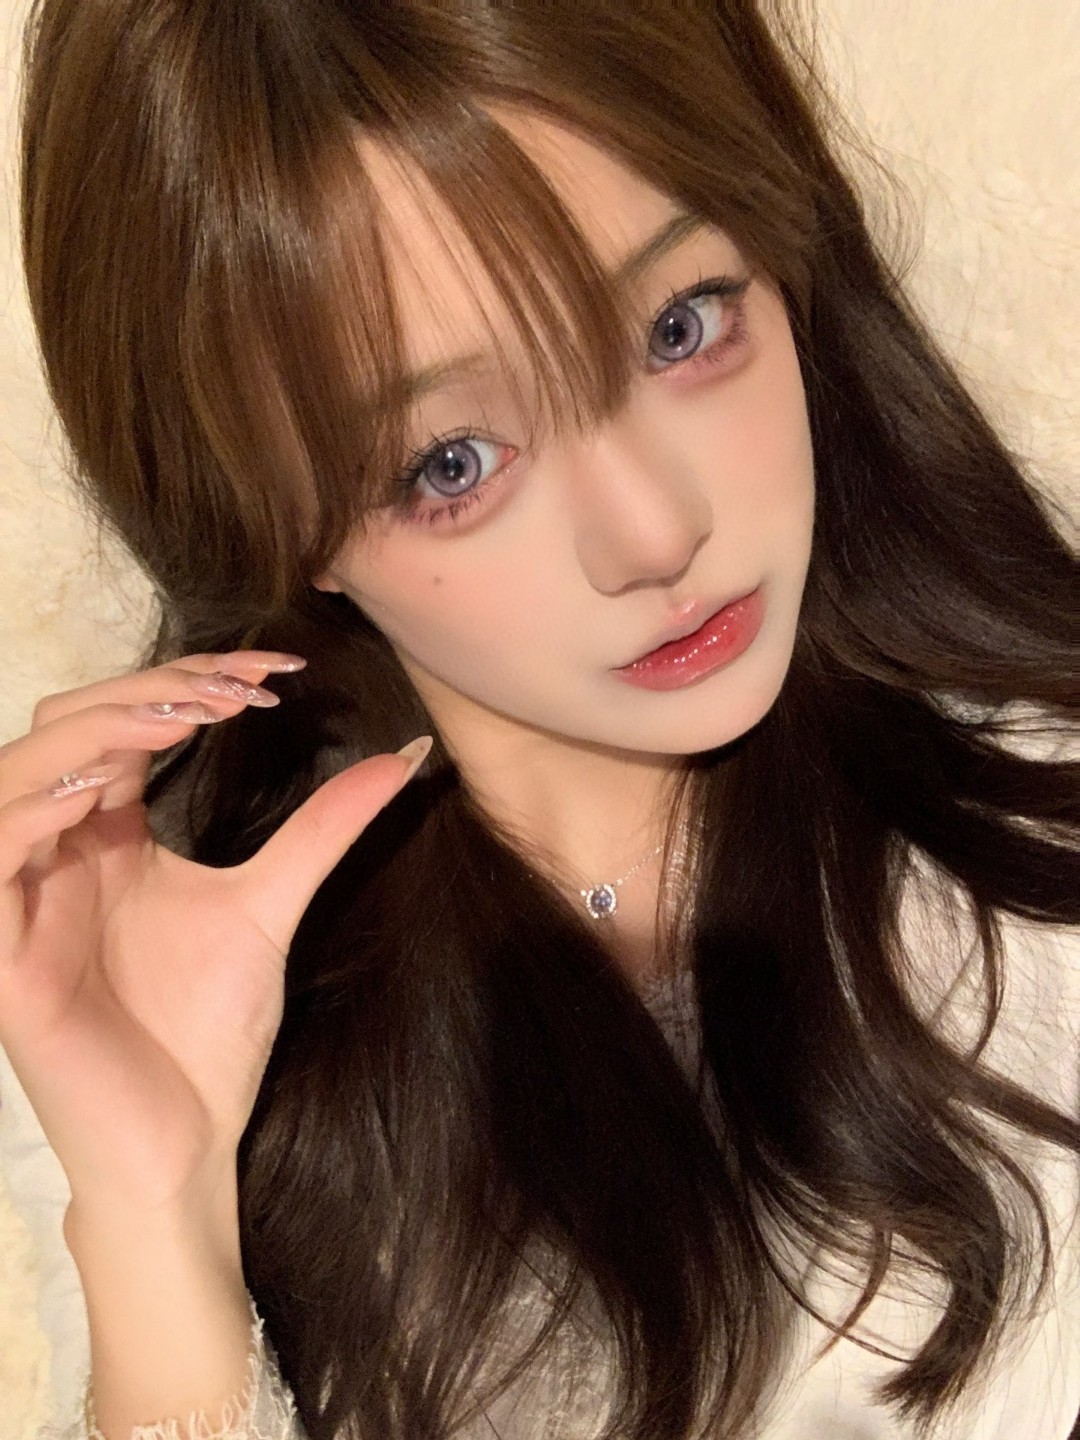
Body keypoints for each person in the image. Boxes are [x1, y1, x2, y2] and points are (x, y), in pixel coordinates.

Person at [0, 1, 1077, 1437]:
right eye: (452, 460)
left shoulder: (1043, 861)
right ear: (273, 521)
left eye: (681, 326)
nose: (654, 532)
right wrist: (157, 1215)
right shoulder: (176, 1019)